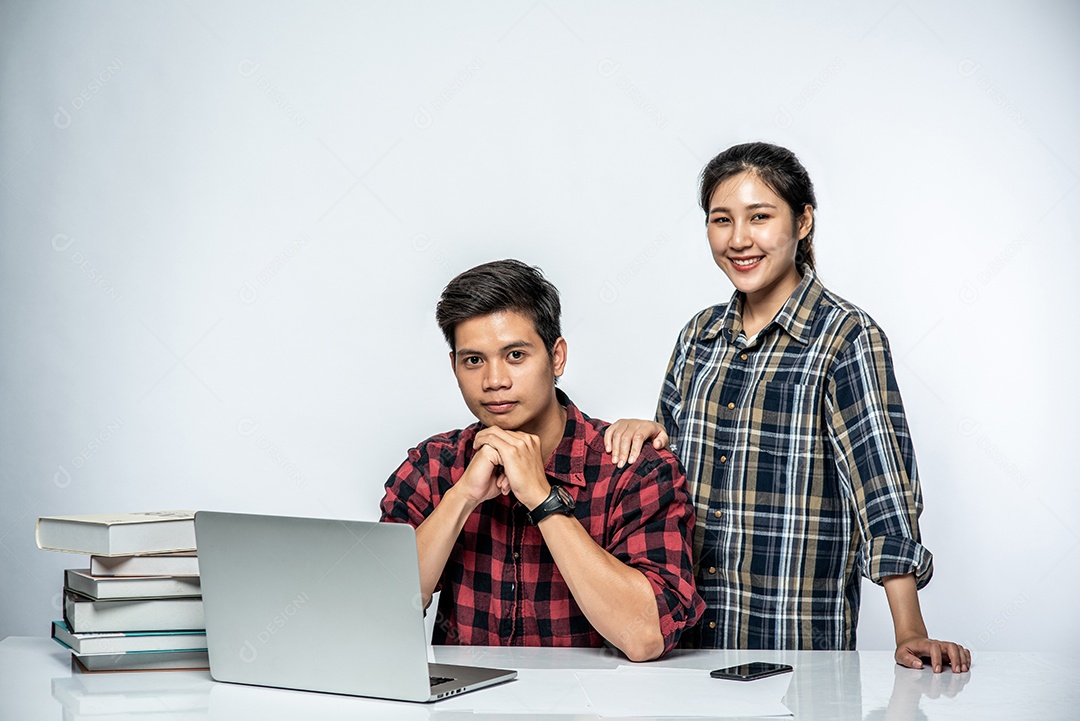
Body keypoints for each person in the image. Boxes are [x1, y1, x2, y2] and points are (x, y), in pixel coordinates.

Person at [605, 142, 971, 673]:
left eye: (760, 217)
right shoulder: (699, 336)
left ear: (802, 222)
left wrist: (910, 631)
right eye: (721, 220)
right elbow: (668, 491)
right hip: (682, 652)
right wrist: (653, 437)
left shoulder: (846, 337)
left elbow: (882, 488)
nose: (739, 240)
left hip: (794, 656)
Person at [379, 259, 703, 661]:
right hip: (465, 711)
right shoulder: (434, 465)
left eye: (515, 355)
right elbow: (376, 614)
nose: (494, 380)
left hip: (595, 708)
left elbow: (644, 636)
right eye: (474, 360)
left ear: (557, 358)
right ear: (455, 367)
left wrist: (543, 499)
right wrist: (462, 496)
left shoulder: (633, 469)